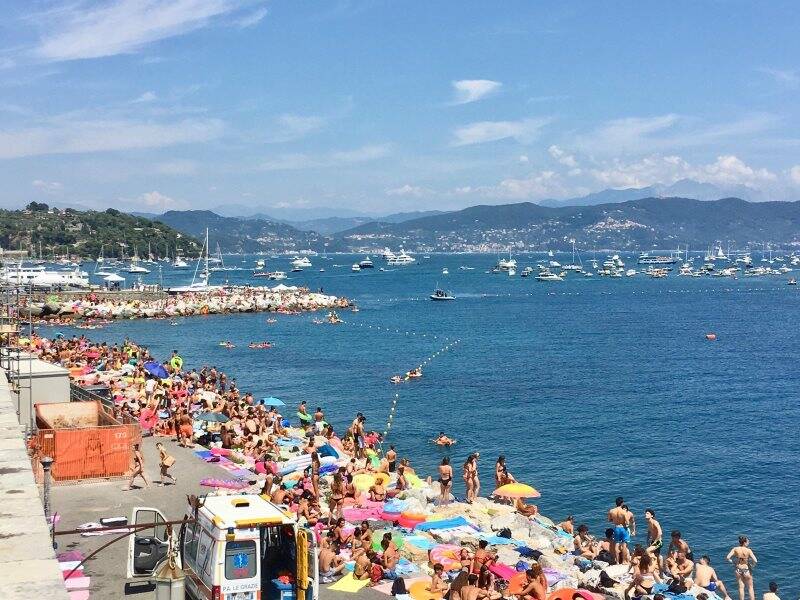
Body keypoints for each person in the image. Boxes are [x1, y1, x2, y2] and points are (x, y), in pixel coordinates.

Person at [608, 496, 631, 564]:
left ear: (615, 503)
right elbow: (627, 522)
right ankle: (624, 561)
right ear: (622, 503)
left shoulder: (611, 511)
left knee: (617, 544)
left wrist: (615, 520)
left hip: (616, 528)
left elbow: (609, 520)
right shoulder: (624, 512)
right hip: (623, 528)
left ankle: (617, 561)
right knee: (624, 545)